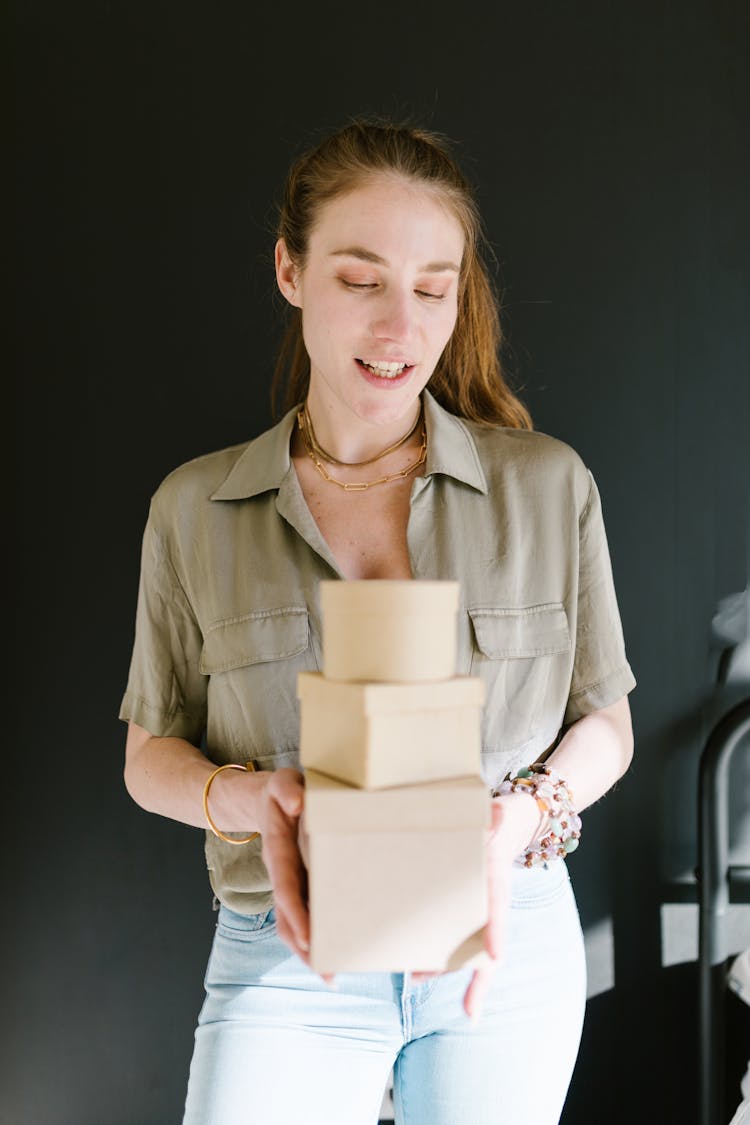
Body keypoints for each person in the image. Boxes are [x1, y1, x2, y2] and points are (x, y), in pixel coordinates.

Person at [120, 118, 636, 1125]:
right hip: (286, 942)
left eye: (433, 288)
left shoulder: (547, 487)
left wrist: (517, 821)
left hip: (505, 935)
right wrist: (253, 799)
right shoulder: (194, 507)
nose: (401, 329)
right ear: (290, 270)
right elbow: (148, 757)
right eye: (361, 282)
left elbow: (605, 724)